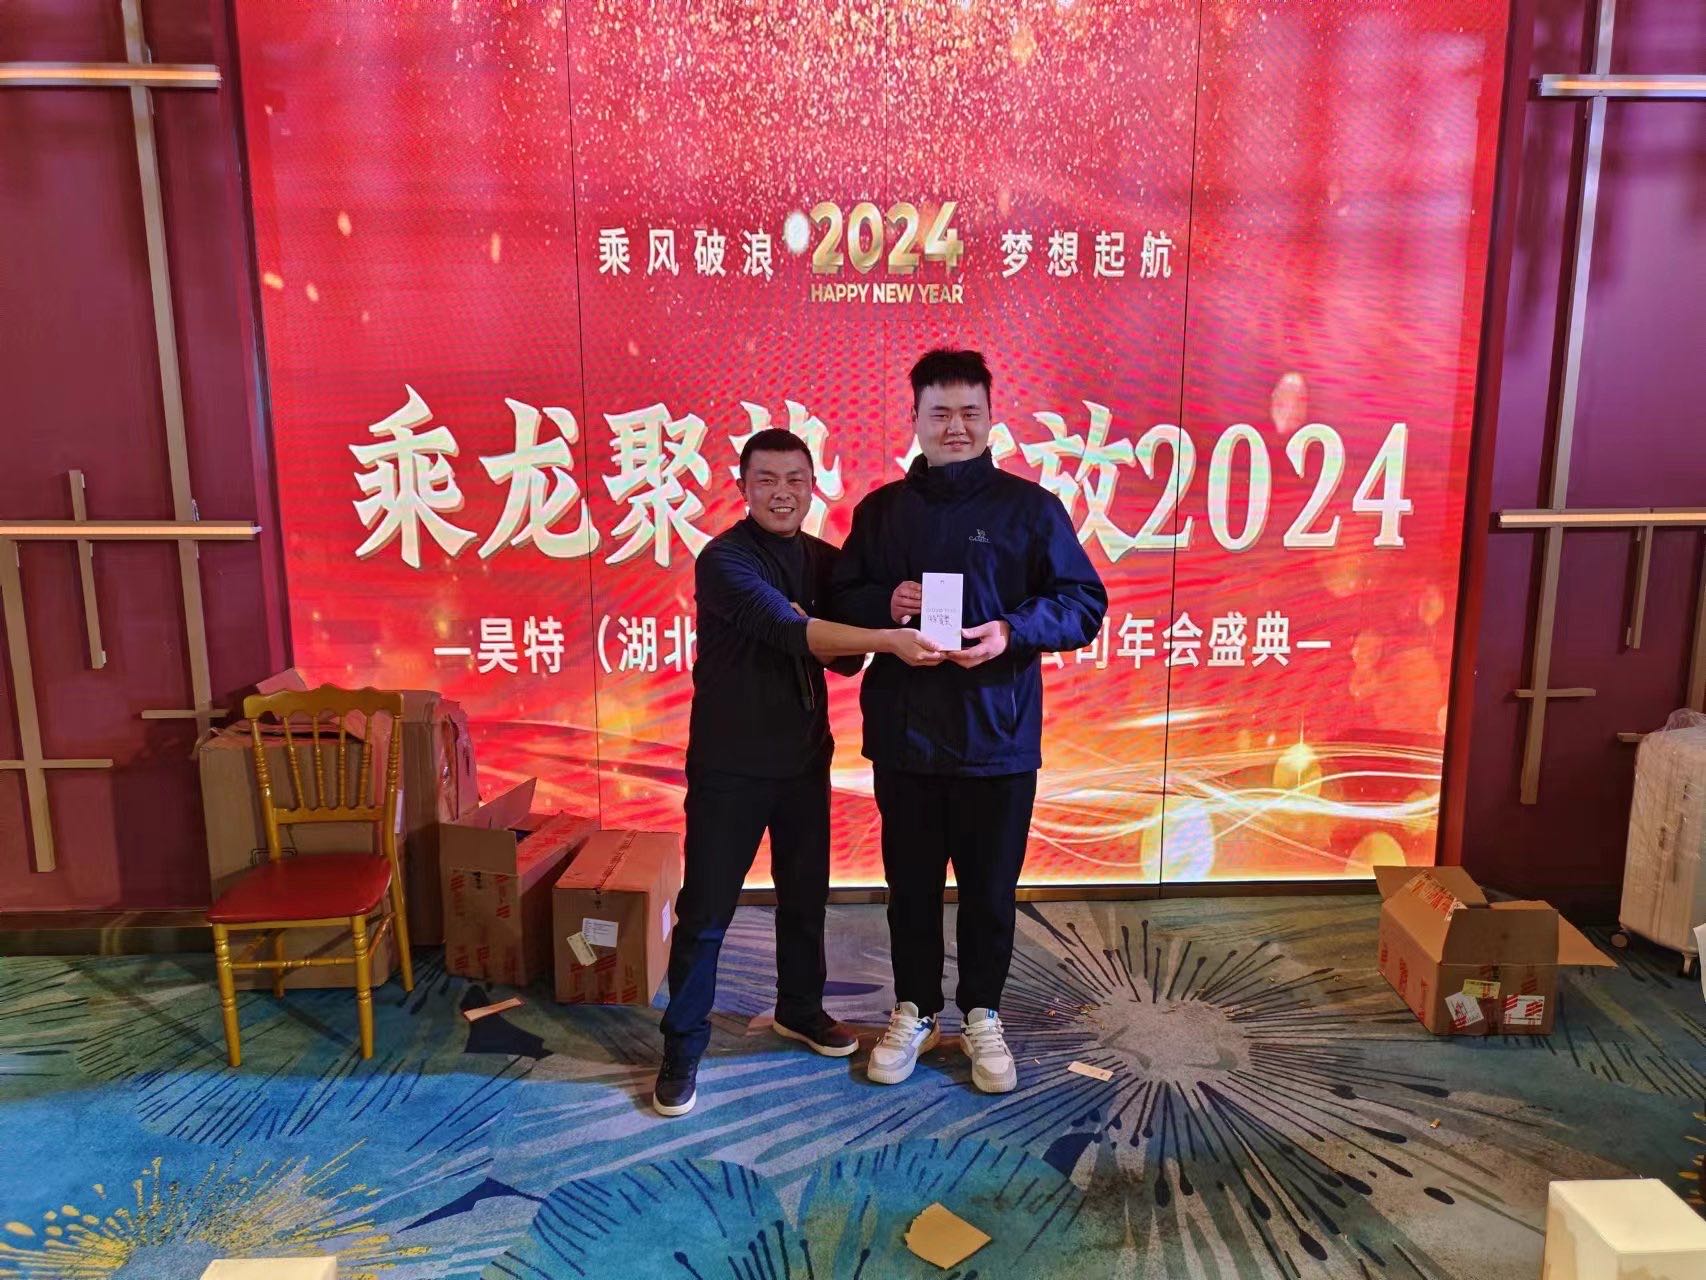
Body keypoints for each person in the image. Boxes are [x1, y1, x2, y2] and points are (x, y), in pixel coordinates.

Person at [831, 349, 1107, 1094]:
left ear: (991, 419)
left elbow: (1084, 603)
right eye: (940, 413)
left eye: (969, 413)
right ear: (915, 419)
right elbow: (842, 601)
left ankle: (983, 1012)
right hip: (907, 738)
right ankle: (915, 1010)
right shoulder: (883, 512)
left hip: (998, 739)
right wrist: (885, 604)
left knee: (990, 893)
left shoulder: (1031, 510)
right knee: (910, 889)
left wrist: (1011, 632)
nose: (955, 427)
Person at [653, 428, 945, 1117]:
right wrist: (878, 636)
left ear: (814, 487)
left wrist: (873, 614)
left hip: (805, 760)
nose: (782, 493)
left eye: (795, 480)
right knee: (706, 913)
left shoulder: (822, 560)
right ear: (742, 487)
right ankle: (681, 1046)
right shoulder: (724, 560)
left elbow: (846, 655)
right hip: (729, 766)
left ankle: (800, 1009)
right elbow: (796, 633)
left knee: (806, 900)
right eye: (767, 480)